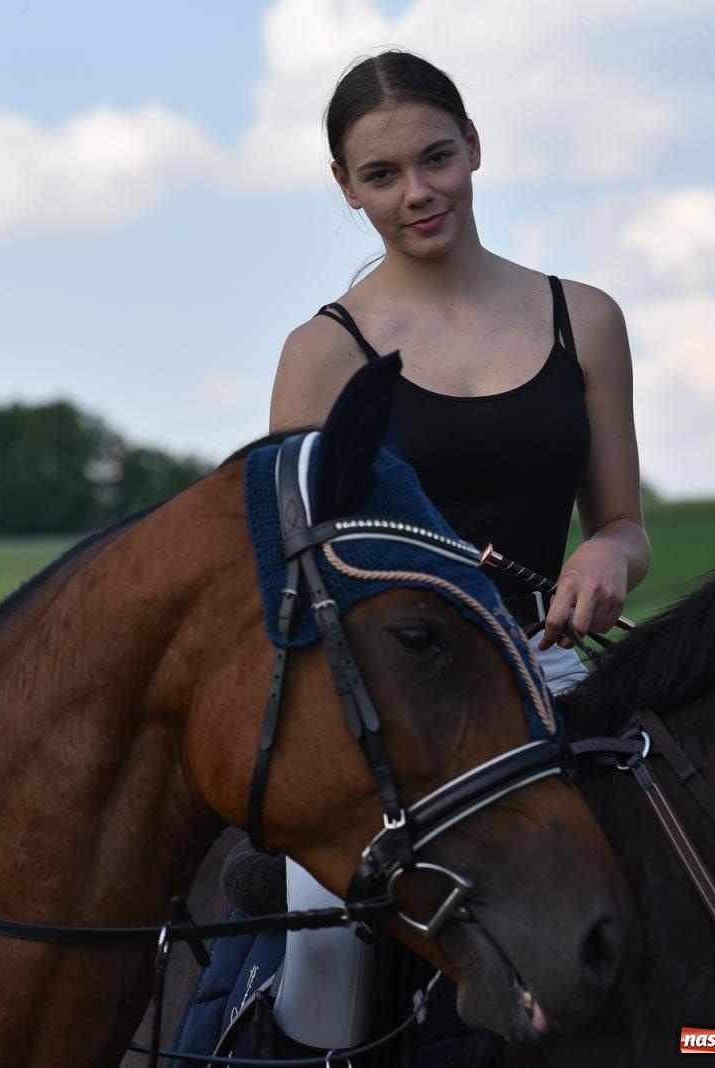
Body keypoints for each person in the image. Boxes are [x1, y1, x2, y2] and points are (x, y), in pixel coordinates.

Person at [264, 50, 650, 1056]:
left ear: (474, 148)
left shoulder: (585, 320)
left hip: (554, 676)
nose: (417, 192)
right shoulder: (323, 352)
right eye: (381, 175)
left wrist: (609, 554)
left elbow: (622, 523)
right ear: (346, 190)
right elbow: (287, 578)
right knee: (318, 953)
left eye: (435, 158)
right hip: (395, 724)